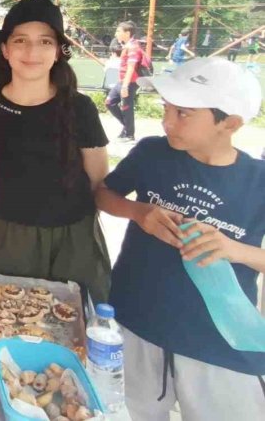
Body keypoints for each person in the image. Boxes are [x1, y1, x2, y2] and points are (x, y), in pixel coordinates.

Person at [94, 58, 265, 419]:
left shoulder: (258, 181)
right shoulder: (152, 153)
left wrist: (232, 248)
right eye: (167, 108)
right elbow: (103, 195)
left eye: (184, 113)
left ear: (230, 123)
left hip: (218, 341)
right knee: (129, 411)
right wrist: (138, 213)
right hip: (136, 320)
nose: (167, 121)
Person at [0, 0, 111, 301]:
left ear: (59, 51)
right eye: (21, 41)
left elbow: (98, 179)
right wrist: (23, 218)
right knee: (12, 318)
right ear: (5, 50)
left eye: (44, 41)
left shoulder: (80, 108)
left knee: (77, 325)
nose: (32, 52)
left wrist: (63, 219)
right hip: (11, 236)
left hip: (75, 237)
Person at [105, 21, 142, 142]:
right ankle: (127, 128)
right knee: (109, 102)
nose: (116, 33)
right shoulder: (127, 45)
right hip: (122, 81)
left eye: (118, 31)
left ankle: (129, 134)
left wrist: (125, 86)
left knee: (127, 107)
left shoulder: (133, 47)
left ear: (127, 33)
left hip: (129, 82)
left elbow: (131, 68)